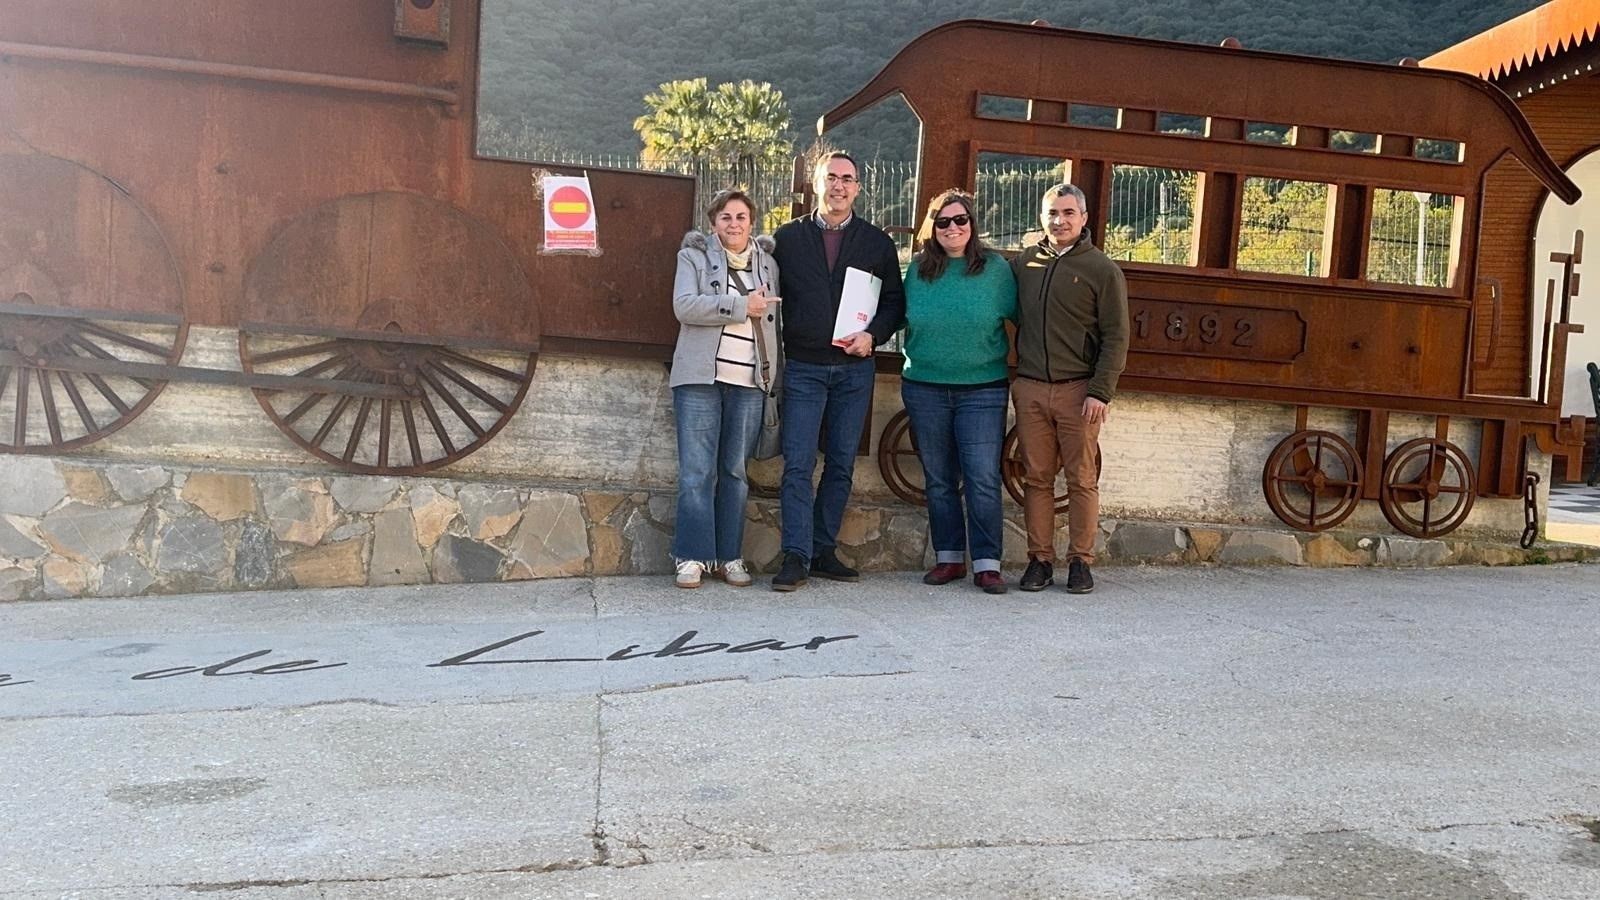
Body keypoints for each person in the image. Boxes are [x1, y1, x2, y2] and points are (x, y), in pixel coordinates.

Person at [769, 151, 906, 591]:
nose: (839, 186)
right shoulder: (787, 238)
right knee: (798, 465)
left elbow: (894, 305)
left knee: (842, 464)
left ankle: (822, 548)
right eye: (831, 177)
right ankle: (795, 554)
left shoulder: (876, 243)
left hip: (853, 370)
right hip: (804, 368)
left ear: (858, 188)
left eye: (848, 179)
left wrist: (874, 336)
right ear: (815, 182)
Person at [1010, 182, 1129, 595]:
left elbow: (1116, 336)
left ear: (1083, 218)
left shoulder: (1101, 269)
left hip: (1080, 392)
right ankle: (1039, 560)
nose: (1059, 221)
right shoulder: (1025, 263)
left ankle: (1081, 561)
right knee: (1037, 477)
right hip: (1030, 387)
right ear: (1042, 218)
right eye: (1052, 214)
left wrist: (1101, 391)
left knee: (1081, 479)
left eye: (1068, 213)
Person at [900, 190, 1017, 595]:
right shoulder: (916, 271)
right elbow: (892, 315)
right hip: (925, 387)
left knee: (982, 476)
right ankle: (948, 558)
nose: (953, 228)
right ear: (932, 227)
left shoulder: (997, 270)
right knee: (938, 478)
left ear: (973, 224)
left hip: (982, 389)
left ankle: (987, 564)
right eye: (944, 221)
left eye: (961, 220)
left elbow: (1028, 320)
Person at [669, 189, 782, 588]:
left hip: (749, 382)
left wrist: (773, 379)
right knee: (696, 472)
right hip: (700, 379)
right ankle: (692, 556)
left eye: (741, 217)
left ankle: (729, 556)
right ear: (713, 222)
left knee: (734, 471)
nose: (733, 224)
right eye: (725, 218)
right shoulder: (693, 257)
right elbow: (684, 306)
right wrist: (738, 306)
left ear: (752, 222)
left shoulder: (767, 263)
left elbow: (772, 325)